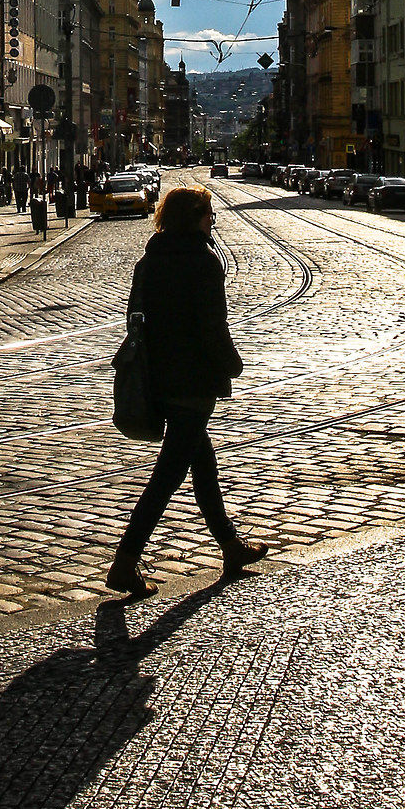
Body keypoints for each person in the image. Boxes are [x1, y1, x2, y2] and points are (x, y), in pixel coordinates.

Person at [107, 183, 267, 601]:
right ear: (194, 217)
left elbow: (135, 318)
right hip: (193, 379)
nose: (212, 222)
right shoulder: (203, 260)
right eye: (208, 215)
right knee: (169, 474)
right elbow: (212, 325)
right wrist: (230, 363)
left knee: (202, 463)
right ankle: (125, 560)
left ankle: (231, 547)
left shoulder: (151, 258)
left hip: (159, 375)